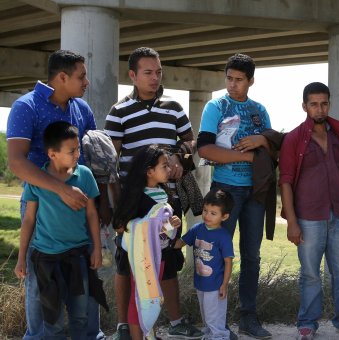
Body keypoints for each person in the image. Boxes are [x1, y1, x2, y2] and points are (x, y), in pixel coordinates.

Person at [6, 49, 104, 339]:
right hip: (40, 207)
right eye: (81, 76)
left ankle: (88, 335)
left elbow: (94, 157)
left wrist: (101, 200)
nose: (87, 82)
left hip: (81, 207)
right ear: (62, 77)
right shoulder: (27, 106)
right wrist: (62, 190)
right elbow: (16, 162)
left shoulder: (81, 109)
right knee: (41, 282)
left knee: (85, 278)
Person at [104, 47, 200, 339]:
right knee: (126, 260)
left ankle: (176, 322)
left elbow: (189, 140)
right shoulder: (118, 112)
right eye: (148, 72)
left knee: (167, 259)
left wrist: (178, 157)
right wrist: (117, 206)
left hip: (168, 200)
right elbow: (110, 161)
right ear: (132, 75)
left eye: (158, 71)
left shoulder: (173, 108)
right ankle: (125, 325)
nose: (155, 78)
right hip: (133, 202)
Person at [279, 82, 339, 340]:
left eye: (324, 103)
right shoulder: (294, 139)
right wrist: (291, 221)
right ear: (304, 106)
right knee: (310, 273)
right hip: (308, 218)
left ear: (329, 104)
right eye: (314, 104)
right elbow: (285, 181)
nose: (319, 109)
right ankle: (307, 324)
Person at [197, 53, 273, 339]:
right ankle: (217, 323)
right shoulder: (215, 106)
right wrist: (249, 156)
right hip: (224, 190)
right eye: (229, 78)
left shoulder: (259, 110)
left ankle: (248, 319)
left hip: (255, 192)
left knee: (251, 256)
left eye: (239, 80)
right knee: (217, 254)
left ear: (250, 80)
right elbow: (204, 149)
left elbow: (271, 148)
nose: (232, 85)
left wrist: (262, 141)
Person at [14, 121, 106, 338]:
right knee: (52, 320)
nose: (77, 154)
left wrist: (97, 249)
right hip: (46, 260)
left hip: (78, 257)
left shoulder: (84, 175)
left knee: (80, 316)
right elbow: (28, 220)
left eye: (78, 149)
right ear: (52, 153)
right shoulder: (36, 181)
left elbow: (92, 213)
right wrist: (21, 258)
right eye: (71, 151)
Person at [112, 145, 183, 339]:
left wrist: (171, 225)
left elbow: (164, 230)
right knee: (139, 297)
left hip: (158, 257)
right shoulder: (136, 195)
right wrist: (149, 225)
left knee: (151, 297)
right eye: (164, 166)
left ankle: (146, 333)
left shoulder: (164, 193)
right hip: (141, 260)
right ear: (149, 171)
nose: (169, 170)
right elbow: (119, 226)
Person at [175, 188, 235, 340]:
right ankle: (209, 335)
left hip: (216, 285)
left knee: (215, 317)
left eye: (213, 213)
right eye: (205, 210)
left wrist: (225, 284)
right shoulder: (197, 229)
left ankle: (220, 336)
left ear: (225, 216)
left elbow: (228, 262)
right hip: (201, 282)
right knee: (206, 315)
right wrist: (162, 236)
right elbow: (180, 243)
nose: (207, 215)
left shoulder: (223, 236)